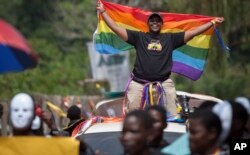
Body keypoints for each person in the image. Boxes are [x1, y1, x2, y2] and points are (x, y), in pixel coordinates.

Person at [96, 1, 224, 118]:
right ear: (148, 23)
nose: (155, 23)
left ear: (162, 24)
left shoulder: (170, 38)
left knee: (174, 115)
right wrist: (103, 12)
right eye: (152, 21)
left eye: (158, 21)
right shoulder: (139, 37)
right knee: (132, 117)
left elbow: (193, 32)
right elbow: (116, 29)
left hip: (164, 83)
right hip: (138, 83)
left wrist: (211, 23)